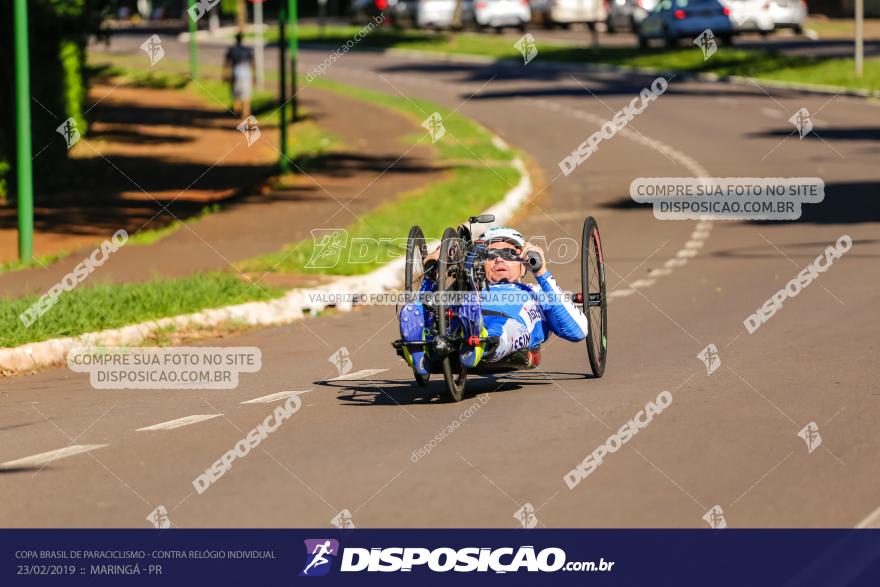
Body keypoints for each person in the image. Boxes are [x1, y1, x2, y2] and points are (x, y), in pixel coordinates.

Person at [399, 226, 589, 375]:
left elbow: (577, 331)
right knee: (435, 311)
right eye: (490, 255)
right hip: (463, 314)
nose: (499, 260)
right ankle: (419, 347)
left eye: (509, 254)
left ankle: (481, 340)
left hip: (508, 325)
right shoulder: (465, 290)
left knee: (500, 326)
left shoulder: (538, 291)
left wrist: (541, 271)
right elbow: (430, 304)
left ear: (524, 266)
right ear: (480, 264)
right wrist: (434, 269)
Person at [224, 33, 255, 118]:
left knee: (235, 93)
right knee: (246, 94)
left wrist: (225, 74)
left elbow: (226, 63)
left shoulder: (232, 49)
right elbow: (252, 63)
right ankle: (246, 112)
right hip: (246, 71)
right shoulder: (247, 49)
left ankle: (236, 111)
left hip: (236, 70)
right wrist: (254, 76)